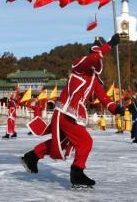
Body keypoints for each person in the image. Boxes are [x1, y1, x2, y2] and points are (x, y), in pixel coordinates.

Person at [21, 34, 125, 188]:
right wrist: (109, 44)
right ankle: (77, 173)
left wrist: (115, 108)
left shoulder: (94, 79)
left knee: (61, 144)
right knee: (85, 142)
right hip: (66, 112)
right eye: (97, 53)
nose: (98, 59)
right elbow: (92, 59)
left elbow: (103, 97)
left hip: (70, 114)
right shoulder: (80, 67)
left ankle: (32, 156)